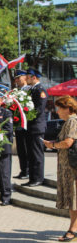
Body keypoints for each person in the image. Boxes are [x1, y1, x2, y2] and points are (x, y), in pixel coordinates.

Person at [42, 96, 77, 242]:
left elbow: (68, 142)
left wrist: (53, 146)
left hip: (72, 167)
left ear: (68, 109)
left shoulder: (72, 121)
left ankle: (73, 230)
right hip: (68, 166)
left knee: (74, 198)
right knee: (72, 198)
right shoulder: (68, 122)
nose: (57, 111)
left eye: (59, 108)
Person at [22, 68, 48, 187]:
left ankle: (38, 178)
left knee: (37, 153)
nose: (26, 78)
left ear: (34, 77)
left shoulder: (40, 90)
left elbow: (39, 109)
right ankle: (32, 178)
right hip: (30, 126)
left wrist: (27, 116)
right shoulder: (31, 90)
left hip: (36, 126)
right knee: (31, 154)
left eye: (28, 76)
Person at [13, 69, 31, 180]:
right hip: (18, 124)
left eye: (18, 78)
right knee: (20, 149)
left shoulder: (29, 90)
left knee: (26, 148)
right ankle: (23, 170)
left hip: (26, 124)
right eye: (15, 79)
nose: (17, 80)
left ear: (24, 77)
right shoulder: (16, 91)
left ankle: (28, 170)